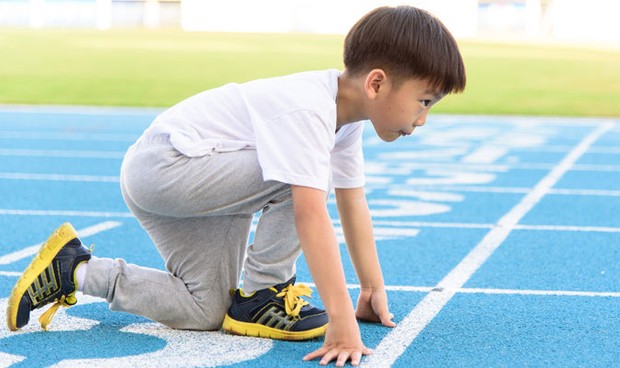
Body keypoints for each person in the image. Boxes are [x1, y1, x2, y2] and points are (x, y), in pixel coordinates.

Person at [6, 5, 465, 367]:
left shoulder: (344, 125)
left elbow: (353, 202)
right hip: (166, 168)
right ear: (377, 83)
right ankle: (264, 294)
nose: (422, 119)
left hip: (198, 183)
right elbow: (310, 212)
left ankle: (77, 270)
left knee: (203, 310)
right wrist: (342, 321)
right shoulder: (308, 111)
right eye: (423, 102)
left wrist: (370, 289)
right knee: (305, 178)